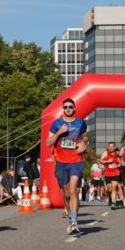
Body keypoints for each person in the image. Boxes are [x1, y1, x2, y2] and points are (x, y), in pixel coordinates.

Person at [45, 97, 88, 234]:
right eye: (66, 107)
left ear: (74, 108)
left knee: (73, 190)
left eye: (70, 107)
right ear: (63, 109)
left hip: (76, 160)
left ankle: (74, 222)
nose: (68, 109)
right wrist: (59, 133)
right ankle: (70, 216)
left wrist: (83, 144)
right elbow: (48, 143)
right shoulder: (56, 123)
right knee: (66, 193)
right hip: (61, 162)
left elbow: (85, 137)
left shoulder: (81, 123)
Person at [100, 141, 122, 209]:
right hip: (108, 174)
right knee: (109, 189)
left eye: (112, 146)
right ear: (108, 147)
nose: (111, 148)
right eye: (109, 146)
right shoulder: (105, 153)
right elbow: (101, 160)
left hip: (115, 173)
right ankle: (110, 197)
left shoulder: (117, 153)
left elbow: (121, 162)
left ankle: (113, 203)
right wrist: (107, 161)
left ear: (114, 147)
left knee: (113, 188)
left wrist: (119, 164)